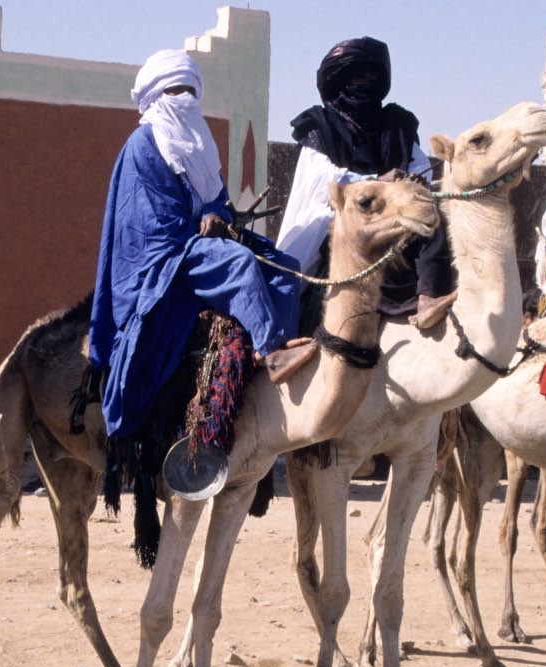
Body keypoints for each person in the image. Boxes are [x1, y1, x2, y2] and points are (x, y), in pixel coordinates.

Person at [87, 49, 301, 445]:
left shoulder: (198, 141)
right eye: (175, 90)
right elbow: (153, 223)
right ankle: (270, 351)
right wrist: (204, 228)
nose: (184, 98)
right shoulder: (143, 145)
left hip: (199, 241)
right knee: (239, 263)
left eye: (189, 90)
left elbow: (216, 198)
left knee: (284, 264)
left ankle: (281, 345)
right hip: (162, 255)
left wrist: (217, 214)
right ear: (156, 94)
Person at [276, 37, 456, 329]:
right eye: (357, 77)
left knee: (433, 218)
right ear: (341, 81)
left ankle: (429, 296)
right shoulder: (320, 126)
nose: (365, 83)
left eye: (371, 76)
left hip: (395, 218)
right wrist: (376, 183)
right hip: (343, 222)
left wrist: (411, 181)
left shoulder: (398, 124)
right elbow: (323, 181)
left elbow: (420, 166)